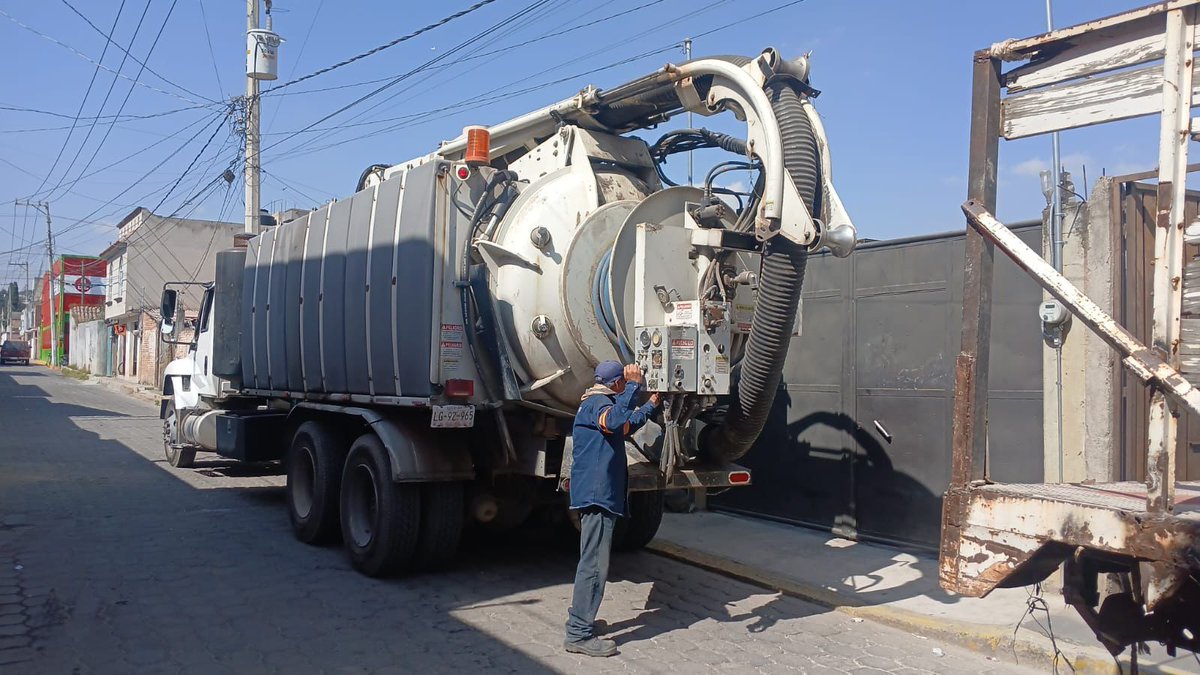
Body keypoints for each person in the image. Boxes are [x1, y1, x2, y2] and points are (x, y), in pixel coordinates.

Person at [564, 360, 661, 657]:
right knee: (594, 565)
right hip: (596, 495)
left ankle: (582, 621)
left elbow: (626, 423)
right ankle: (578, 634)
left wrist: (652, 404)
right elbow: (615, 421)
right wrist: (635, 386)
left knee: (592, 561)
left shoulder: (596, 403)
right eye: (625, 381)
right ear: (617, 383)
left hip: (597, 494)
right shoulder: (597, 404)